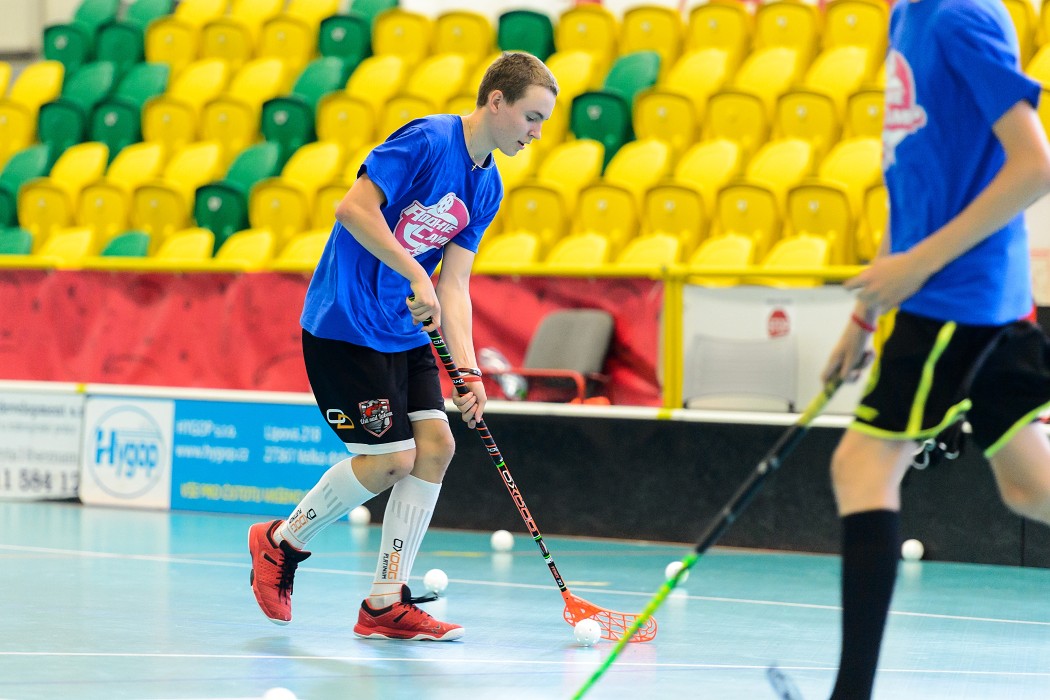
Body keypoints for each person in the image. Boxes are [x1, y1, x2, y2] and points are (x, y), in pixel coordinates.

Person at [247, 52, 559, 641]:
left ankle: (385, 602)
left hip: (404, 329)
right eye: (532, 118)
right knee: (392, 459)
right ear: (497, 101)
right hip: (345, 324)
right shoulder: (427, 139)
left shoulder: (487, 185)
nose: (537, 134)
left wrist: (468, 371)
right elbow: (353, 209)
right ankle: (279, 542)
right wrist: (414, 273)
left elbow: (456, 285)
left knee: (436, 446)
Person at [820, 0, 1050, 696]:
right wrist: (865, 317)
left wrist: (917, 268)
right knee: (1028, 486)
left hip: (958, 297)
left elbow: (1035, 165)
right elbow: (918, 183)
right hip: (969, 296)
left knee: (860, 468)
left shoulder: (958, 16)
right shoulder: (906, 18)